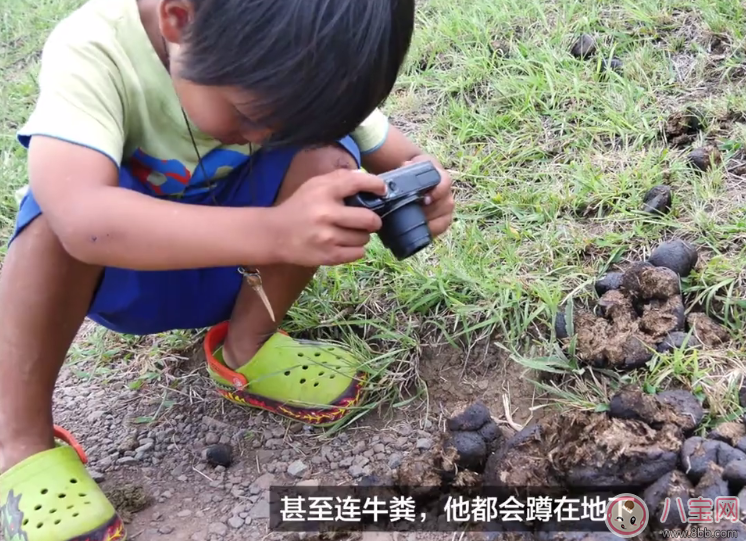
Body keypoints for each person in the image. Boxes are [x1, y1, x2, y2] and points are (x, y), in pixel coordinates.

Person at [0, 0, 455, 539]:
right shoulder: (95, 49)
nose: (265, 136)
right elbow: (83, 221)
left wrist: (421, 184)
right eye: (252, 114)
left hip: (239, 272)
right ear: (179, 19)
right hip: (120, 268)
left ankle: (247, 348)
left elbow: (398, 157)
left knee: (330, 159)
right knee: (52, 219)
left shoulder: (295, 59)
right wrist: (279, 230)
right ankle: (17, 443)